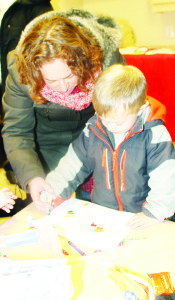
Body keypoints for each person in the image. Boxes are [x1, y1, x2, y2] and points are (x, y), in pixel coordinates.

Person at [1, 9, 126, 209]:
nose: (63, 87)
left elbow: (124, 117)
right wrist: (32, 177)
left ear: (84, 61)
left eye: (69, 76)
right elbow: (17, 132)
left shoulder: (106, 60)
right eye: (51, 80)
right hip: (45, 147)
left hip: (96, 140)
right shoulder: (20, 72)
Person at [38, 64, 175, 229]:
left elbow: (166, 177)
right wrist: (53, 190)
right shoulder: (94, 130)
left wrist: (155, 211)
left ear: (140, 109)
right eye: (103, 118)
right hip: (104, 214)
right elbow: (72, 164)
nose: (110, 127)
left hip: (141, 216)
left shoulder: (155, 135)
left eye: (117, 122)